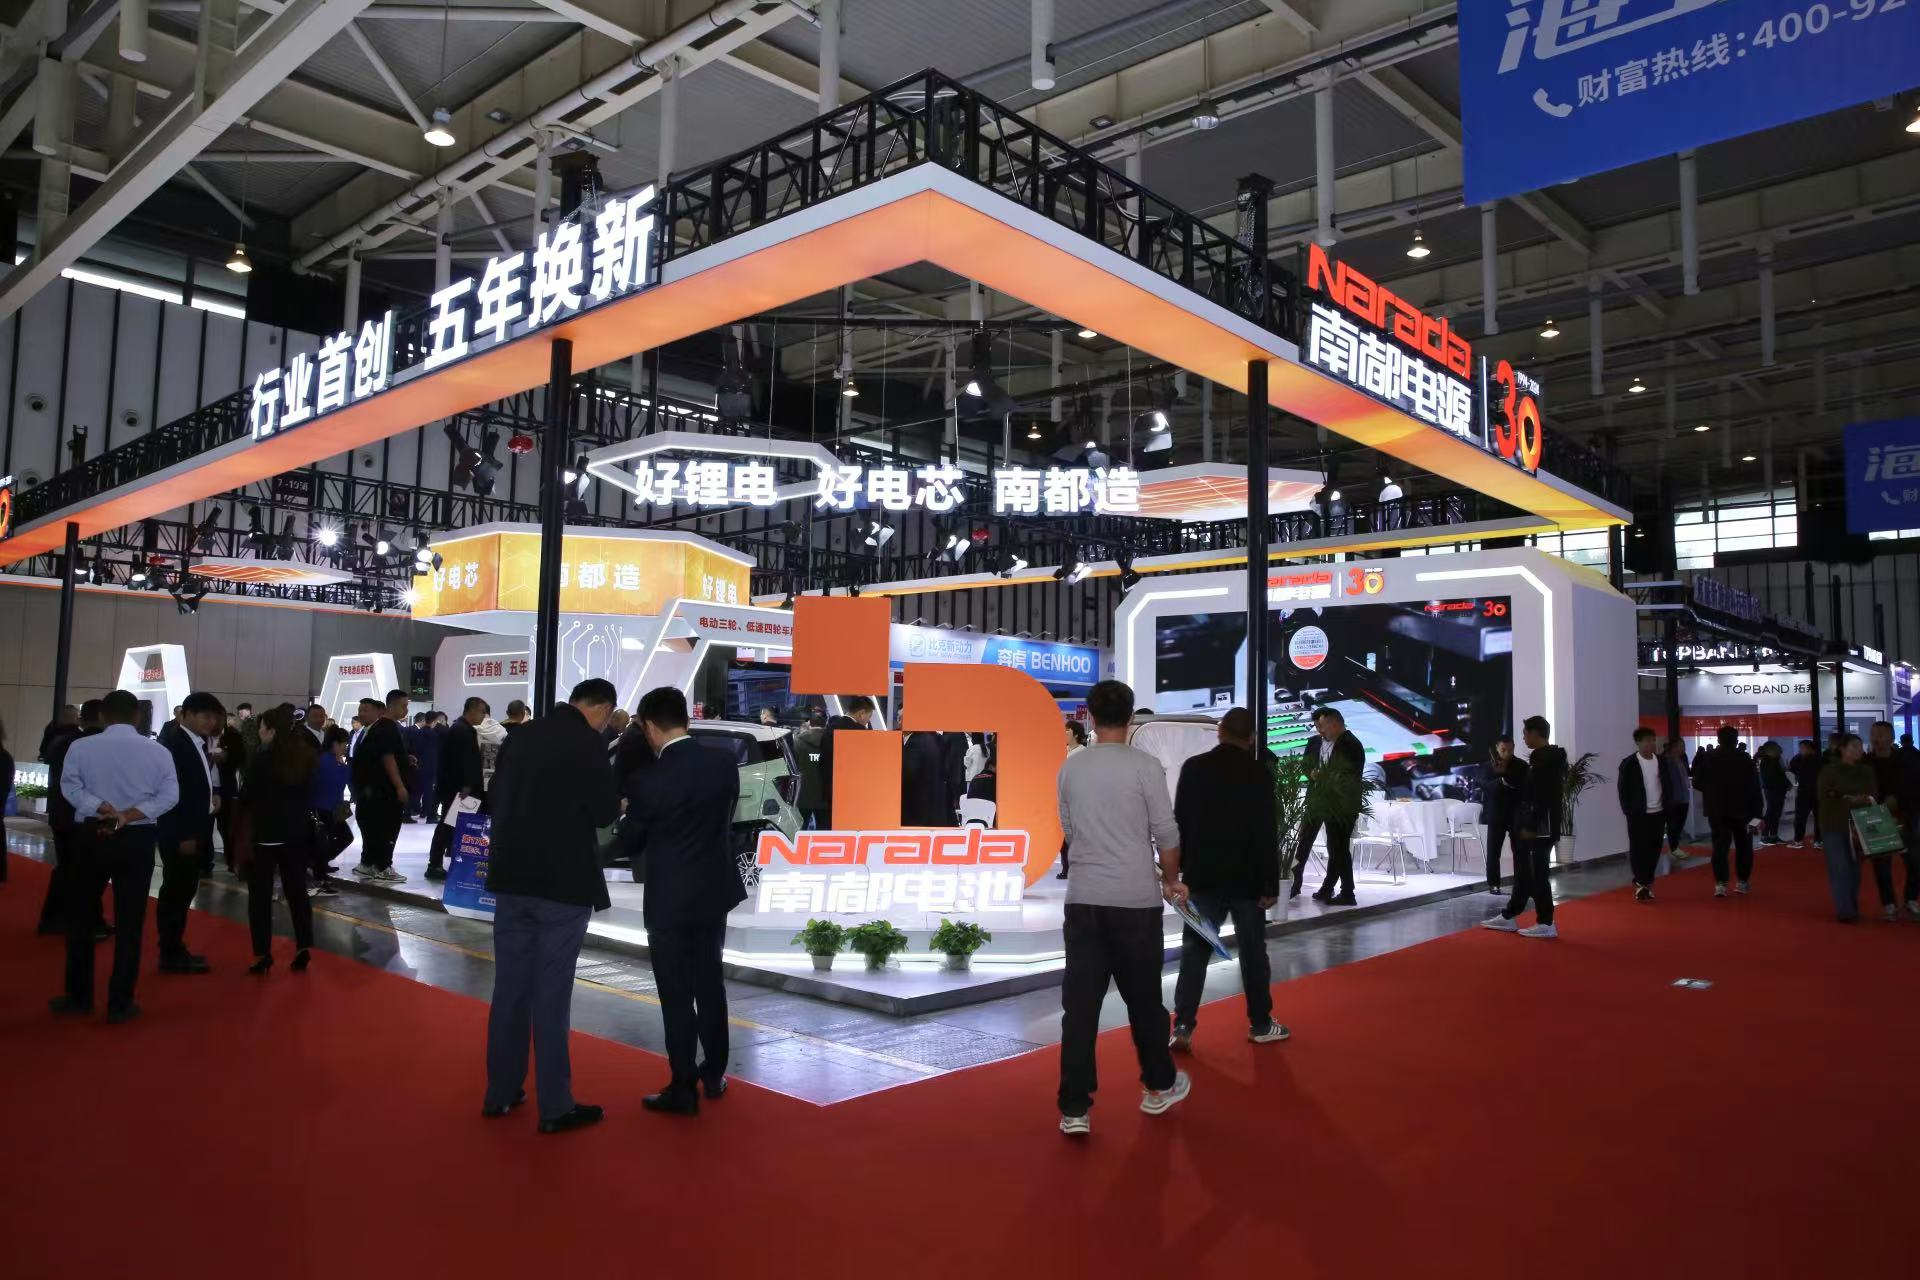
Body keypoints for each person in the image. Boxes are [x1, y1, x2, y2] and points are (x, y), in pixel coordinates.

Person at [481, 678, 621, 1134]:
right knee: (551, 994)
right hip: (563, 883)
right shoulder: (587, 742)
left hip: (511, 877)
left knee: (509, 989)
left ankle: (501, 1092)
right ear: (601, 709)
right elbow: (603, 812)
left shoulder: (520, 736)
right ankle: (556, 1106)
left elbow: (495, 797)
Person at [1055, 679, 1189, 1137]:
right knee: (1145, 1002)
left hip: (1084, 899)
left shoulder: (1072, 767)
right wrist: (1171, 880)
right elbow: (1167, 833)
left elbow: (1069, 830)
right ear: (1131, 718)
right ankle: (1158, 1086)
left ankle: (1075, 1108)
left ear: (1090, 717)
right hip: (1136, 901)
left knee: (1080, 1008)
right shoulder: (1145, 766)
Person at [623, 686, 746, 1115]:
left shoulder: (648, 780)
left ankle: (682, 1085)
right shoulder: (723, 763)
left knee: (675, 992)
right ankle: (714, 1074)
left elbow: (631, 839)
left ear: (649, 727)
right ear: (686, 720)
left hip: (669, 899)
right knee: (710, 983)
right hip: (713, 891)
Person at [52, 690, 178, 1024]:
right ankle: (120, 1002)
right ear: (137, 716)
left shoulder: (81, 747)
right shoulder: (158, 751)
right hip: (137, 839)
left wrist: (101, 807)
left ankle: (78, 998)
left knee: (81, 917)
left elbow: (70, 787)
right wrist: (129, 815)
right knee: (130, 922)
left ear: (103, 716)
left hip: (92, 835)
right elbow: (169, 796)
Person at [1169, 708, 1287, 1052]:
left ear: (1220, 732)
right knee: (1253, 953)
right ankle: (1261, 1024)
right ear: (1251, 738)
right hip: (1247, 880)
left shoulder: (1194, 768)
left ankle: (1183, 1026)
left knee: (1195, 951)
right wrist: (1270, 883)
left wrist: (1180, 872)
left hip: (1203, 877)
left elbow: (1180, 822)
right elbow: (1266, 831)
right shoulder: (1258, 773)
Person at [244, 706, 318, 973]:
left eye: (262, 728)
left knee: (260, 896)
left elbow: (248, 795)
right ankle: (303, 947)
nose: (260, 733)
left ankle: (262, 953)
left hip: (265, 835)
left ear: (272, 731)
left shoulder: (261, 759)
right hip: (296, 834)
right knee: (297, 892)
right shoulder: (306, 756)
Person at [154, 692, 224, 974]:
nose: (211, 722)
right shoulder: (175, 744)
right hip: (182, 831)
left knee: (183, 889)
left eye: (214, 717)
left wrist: (212, 795)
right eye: (205, 716)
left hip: (194, 827)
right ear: (186, 715)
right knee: (177, 890)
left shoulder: (194, 741)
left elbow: (196, 783)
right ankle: (171, 951)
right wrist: (184, 835)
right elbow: (173, 794)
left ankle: (173, 947)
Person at [1482, 715, 1567, 939]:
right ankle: (1510, 915)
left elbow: (1541, 797)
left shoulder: (1543, 760)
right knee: (1525, 872)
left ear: (1535, 733)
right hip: (1539, 825)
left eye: (1525, 733)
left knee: (1536, 874)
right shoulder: (1547, 758)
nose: (1523, 738)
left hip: (1540, 828)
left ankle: (1545, 921)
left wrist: (1532, 825)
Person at [37, 699, 108, 937]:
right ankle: (82, 921)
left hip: (62, 813)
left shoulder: (61, 741)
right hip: (83, 816)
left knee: (68, 869)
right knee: (86, 872)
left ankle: (60, 919)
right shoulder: (90, 744)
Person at [1291, 706, 1365, 904]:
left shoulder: (1351, 744)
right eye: (1317, 726)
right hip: (1316, 801)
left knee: (1337, 849)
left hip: (1340, 805)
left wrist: (1325, 776)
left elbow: (1349, 775)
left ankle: (1343, 891)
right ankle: (1296, 884)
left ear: (1335, 723)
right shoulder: (1314, 742)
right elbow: (1305, 765)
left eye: (1322, 726)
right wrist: (1311, 773)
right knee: (1304, 843)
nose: (1320, 731)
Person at [1816, 734, 1881, 924]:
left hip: (1860, 822)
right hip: (1834, 822)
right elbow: (1824, 794)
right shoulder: (1828, 771)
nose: (1859, 750)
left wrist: (1860, 798)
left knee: (1854, 868)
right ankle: (1845, 909)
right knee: (1839, 866)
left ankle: (1851, 905)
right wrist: (1848, 798)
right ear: (1842, 748)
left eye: (1860, 746)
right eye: (1854, 746)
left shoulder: (1866, 770)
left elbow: (1873, 793)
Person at [1693, 724, 1762, 898]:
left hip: (1716, 810)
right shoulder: (1745, 759)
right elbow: (1755, 788)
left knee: (1720, 847)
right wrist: (1758, 814)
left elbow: (1697, 782)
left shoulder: (1708, 758)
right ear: (1736, 740)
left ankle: (1720, 884)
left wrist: (1712, 792)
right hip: (1743, 810)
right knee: (1744, 846)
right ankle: (1742, 882)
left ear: (1718, 739)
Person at [350, 691, 410, 883]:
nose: (406, 710)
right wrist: (400, 786)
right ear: (391, 706)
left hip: (372, 791)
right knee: (387, 828)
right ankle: (383, 867)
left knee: (373, 828)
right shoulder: (388, 728)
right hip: (385, 791)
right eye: (403, 706)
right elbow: (387, 758)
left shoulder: (375, 729)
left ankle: (367, 864)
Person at [428, 697, 490, 882]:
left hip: (459, 789)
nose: (484, 716)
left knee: (453, 827)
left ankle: (442, 863)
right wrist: (467, 786)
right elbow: (463, 762)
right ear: (471, 710)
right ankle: (435, 864)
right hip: (461, 791)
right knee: (449, 826)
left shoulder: (462, 728)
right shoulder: (462, 730)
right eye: (482, 712)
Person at [1863, 721, 1920, 918]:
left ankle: (1911, 899)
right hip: (1875, 816)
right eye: (1873, 734)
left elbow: (1916, 786)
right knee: (1881, 864)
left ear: (1892, 737)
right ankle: (1888, 904)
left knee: (1915, 861)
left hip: (1905, 815)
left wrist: (1899, 799)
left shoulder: (1907, 761)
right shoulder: (1865, 763)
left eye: (1881, 734)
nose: (1876, 738)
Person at [1617, 727, 1667, 902]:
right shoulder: (1629, 764)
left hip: (1659, 812)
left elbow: (1667, 785)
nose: (1651, 743)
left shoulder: (1662, 761)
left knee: (1655, 848)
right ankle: (1641, 882)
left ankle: (1646, 881)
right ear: (1638, 743)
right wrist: (1629, 810)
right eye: (1647, 740)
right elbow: (1623, 790)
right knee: (1639, 849)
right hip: (1638, 814)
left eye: (1653, 740)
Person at [1480, 736, 1527, 896]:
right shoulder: (1489, 766)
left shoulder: (1521, 765)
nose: (1507, 753)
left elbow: (1526, 787)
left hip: (1516, 814)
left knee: (1520, 851)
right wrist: (1501, 781)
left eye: (1510, 750)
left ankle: (1521, 884)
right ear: (1497, 748)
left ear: (1514, 748)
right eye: (1503, 750)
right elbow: (1484, 785)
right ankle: (1493, 884)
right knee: (1493, 851)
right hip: (1496, 814)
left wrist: (1509, 779)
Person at [817, 695, 874, 824]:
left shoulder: (830, 729)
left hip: (830, 789)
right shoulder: (861, 733)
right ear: (861, 713)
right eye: (869, 717)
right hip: (853, 793)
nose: (868, 721)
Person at [310, 726, 353, 895]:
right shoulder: (328, 761)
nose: (345, 748)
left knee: (339, 838)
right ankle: (318, 870)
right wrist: (342, 765)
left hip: (330, 807)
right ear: (335, 744)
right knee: (339, 838)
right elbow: (340, 781)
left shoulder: (324, 759)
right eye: (344, 745)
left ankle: (318, 864)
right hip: (323, 808)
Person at [1057, 720, 1089, 878]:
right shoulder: (1062, 751)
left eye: (1067, 731)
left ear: (1076, 734)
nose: (1064, 734)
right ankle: (1066, 867)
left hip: (1078, 800)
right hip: (1062, 798)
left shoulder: (1084, 753)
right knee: (1063, 835)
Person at [901, 730, 951, 826]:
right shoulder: (935, 738)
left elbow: (908, 774)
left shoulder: (914, 743)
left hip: (917, 810)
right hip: (935, 807)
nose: (899, 724)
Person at [793, 708, 828, 830]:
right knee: (824, 832)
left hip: (803, 793)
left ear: (810, 723)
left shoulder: (797, 741)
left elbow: (794, 765)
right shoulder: (833, 740)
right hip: (826, 795)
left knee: (800, 830)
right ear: (825, 723)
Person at [1660, 738, 1693, 861]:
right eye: (1680, 746)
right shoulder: (1666, 761)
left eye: (1683, 745)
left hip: (1684, 798)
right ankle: (1674, 848)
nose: (1683, 748)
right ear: (1673, 747)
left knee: (1680, 823)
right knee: (1673, 824)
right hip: (1673, 800)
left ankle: (1675, 846)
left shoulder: (1681, 760)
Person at [1787, 738, 1822, 848]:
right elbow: (1791, 772)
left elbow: (1791, 771)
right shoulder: (1819, 759)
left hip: (1810, 792)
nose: (1801, 750)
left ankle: (1803, 840)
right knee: (1808, 817)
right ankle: (1815, 840)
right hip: (1810, 792)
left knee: (1805, 817)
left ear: (1811, 748)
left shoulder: (1800, 759)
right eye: (1801, 748)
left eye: (1803, 748)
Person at [408, 711, 441, 822]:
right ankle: (427, 813)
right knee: (428, 792)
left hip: (417, 765)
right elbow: (433, 754)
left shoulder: (417, 732)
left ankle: (409, 811)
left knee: (416, 791)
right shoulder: (433, 734)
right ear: (434, 721)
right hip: (429, 767)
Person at [1756, 741, 1790, 845]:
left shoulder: (1774, 760)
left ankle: (1773, 835)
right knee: (1771, 813)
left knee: (1775, 813)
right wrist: (1785, 783)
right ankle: (1765, 835)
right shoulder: (1768, 761)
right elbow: (1774, 778)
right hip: (1773, 790)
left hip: (1776, 790)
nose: (1779, 751)